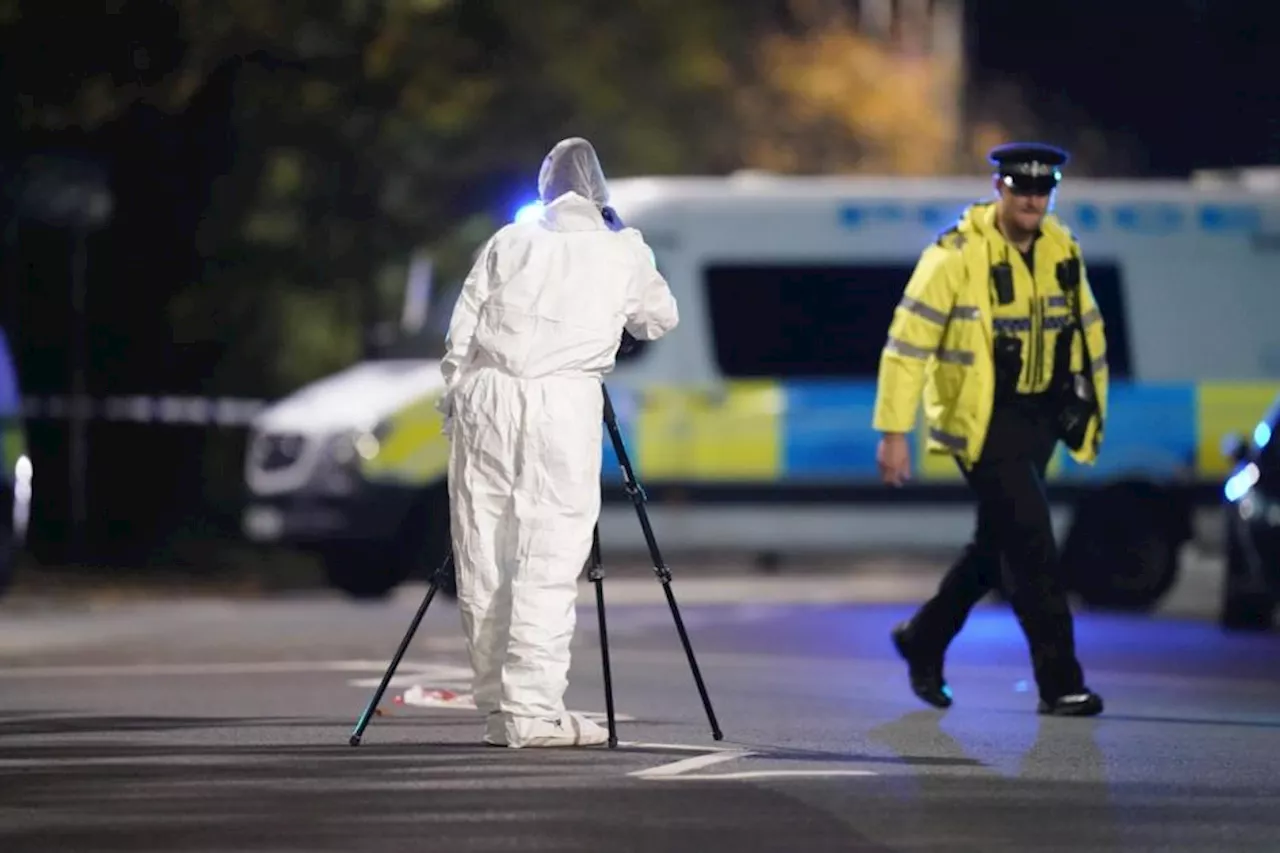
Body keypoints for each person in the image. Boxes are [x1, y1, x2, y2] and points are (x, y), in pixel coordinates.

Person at [438, 137, 679, 748]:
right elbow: (659, 318)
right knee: (547, 555)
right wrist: (625, 242)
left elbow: (461, 330)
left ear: (545, 189)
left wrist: (455, 404)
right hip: (560, 401)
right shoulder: (619, 248)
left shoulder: (509, 240)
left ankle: (498, 708)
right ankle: (533, 711)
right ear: (600, 191)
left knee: (484, 551)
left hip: (485, 397)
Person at [873, 142, 1109, 717]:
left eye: (1042, 190)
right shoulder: (954, 255)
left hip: (1041, 419)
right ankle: (1060, 683)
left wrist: (1087, 404)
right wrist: (894, 431)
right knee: (1034, 546)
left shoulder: (1062, 249)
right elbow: (908, 345)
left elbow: (1087, 331)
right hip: (981, 421)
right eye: (1020, 188)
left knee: (997, 543)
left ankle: (924, 637)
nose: (1031, 199)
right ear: (998, 188)